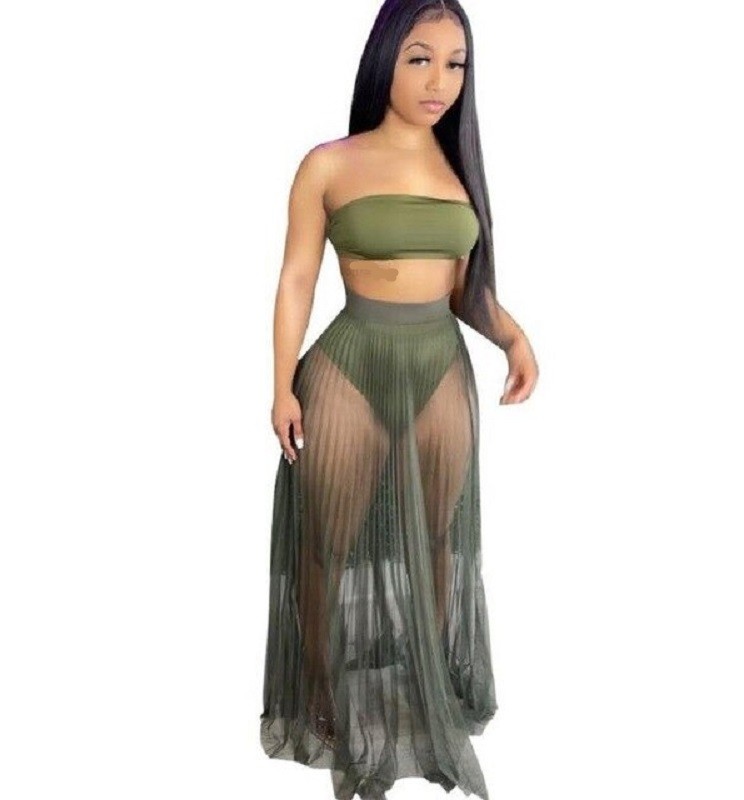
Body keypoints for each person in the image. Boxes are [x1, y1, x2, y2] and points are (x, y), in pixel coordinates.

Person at [259, 2, 539, 798]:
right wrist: (279, 383)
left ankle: (427, 688)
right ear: (385, 57)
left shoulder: (458, 169)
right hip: (349, 366)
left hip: (439, 367)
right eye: (420, 58)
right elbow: (297, 278)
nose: (438, 80)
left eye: (455, 63)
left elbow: (463, 291)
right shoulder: (328, 164)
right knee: (328, 544)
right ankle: (324, 703)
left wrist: (514, 338)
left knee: (443, 542)